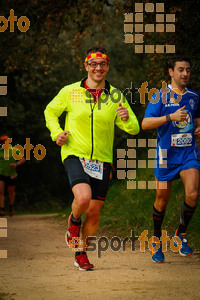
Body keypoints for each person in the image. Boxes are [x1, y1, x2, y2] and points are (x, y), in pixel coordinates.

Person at [44, 45, 139, 270]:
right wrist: (57, 134)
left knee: (94, 212)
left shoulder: (116, 95)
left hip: (102, 160)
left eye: (103, 64)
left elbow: (134, 128)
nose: (98, 68)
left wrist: (126, 118)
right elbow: (50, 112)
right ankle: (74, 220)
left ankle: (81, 253)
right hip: (74, 153)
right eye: (93, 64)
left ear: (108, 67)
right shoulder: (70, 92)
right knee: (84, 199)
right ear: (86, 65)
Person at [142, 55, 200, 263]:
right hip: (165, 154)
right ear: (171, 72)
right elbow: (145, 123)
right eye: (181, 70)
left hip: (188, 154)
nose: (185, 74)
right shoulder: (159, 97)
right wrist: (170, 117)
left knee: (192, 194)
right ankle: (156, 239)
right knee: (161, 199)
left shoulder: (194, 96)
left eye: (188, 70)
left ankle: (180, 234)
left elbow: (197, 121)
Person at [0, 135, 25, 216]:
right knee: (1, 191)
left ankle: (11, 206)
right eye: (2, 142)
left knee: (11, 192)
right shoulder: (0, 151)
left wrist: (16, 164)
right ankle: (2, 209)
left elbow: (22, 159)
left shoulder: (14, 150)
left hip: (12, 173)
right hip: (1, 173)